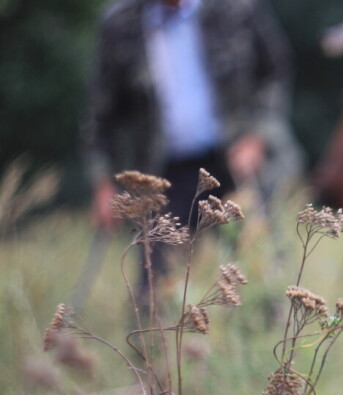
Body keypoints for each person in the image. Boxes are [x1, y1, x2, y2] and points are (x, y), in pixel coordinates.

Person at [87, 0, 303, 233]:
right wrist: (103, 184)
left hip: (237, 166)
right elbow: (102, 115)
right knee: (159, 255)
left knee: (254, 249)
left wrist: (258, 136)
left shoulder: (236, 7)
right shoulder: (121, 23)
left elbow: (275, 72)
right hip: (163, 176)